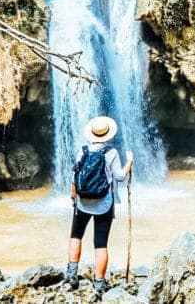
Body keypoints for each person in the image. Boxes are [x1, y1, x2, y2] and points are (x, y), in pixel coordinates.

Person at [65, 115, 133, 294]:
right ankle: (100, 284)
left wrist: (74, 197)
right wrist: (130, 162)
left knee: (76, 235)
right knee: (100, 243)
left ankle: (71, 274)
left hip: (82, 201)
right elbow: (119, 176)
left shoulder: (83, 150)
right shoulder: (111, 153)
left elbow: (75, 176)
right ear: (108, 135)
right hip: (104, 202)